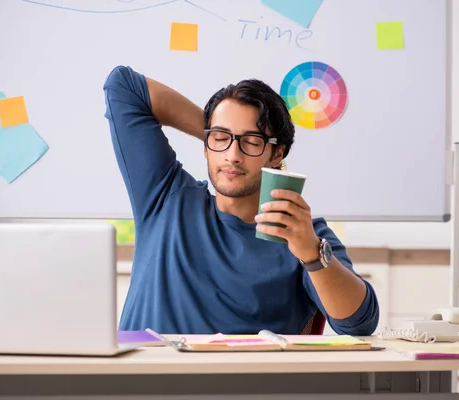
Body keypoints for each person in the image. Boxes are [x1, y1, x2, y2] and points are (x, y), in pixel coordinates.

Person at [103, 65, 379, 335]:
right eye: (221, 138)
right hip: (141, 375)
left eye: (252, 141)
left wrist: (311, 253)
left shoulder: (303, 234)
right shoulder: (165, 196)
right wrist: (218, 135)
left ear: (276, 155)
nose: (233, 155)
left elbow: (358, 324)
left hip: (240, 379)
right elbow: (124, 87)